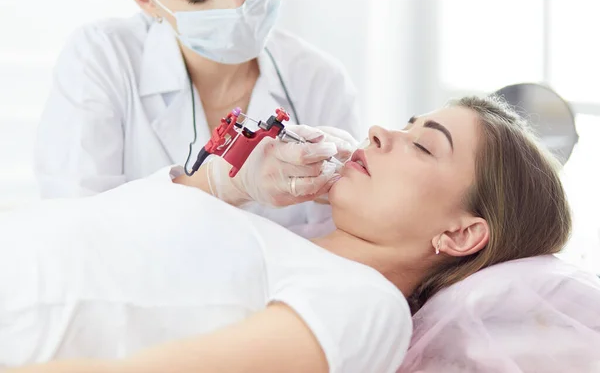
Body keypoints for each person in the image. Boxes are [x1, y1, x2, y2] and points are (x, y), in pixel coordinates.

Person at [3, 96, 571, 373]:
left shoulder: (367, 305)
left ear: (461, 233)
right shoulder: (278, 241)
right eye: (405, 123)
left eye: (423, 145)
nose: (378, 133)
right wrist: (230, 180)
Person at [33, 0, 360, 231]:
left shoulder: (320, 81)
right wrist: (219, 185)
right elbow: (76, 231)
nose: (236, 6)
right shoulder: (102, 58)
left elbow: (344, 236)